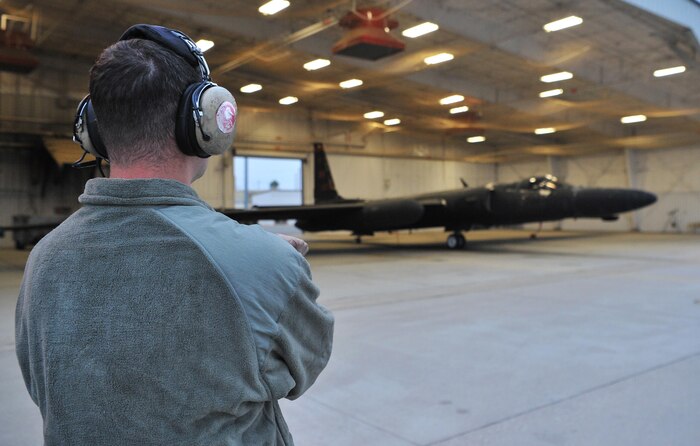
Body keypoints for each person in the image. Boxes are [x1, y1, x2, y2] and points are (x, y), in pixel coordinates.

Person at [15, 24, 333, 445]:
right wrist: (260, 260)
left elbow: (46, 390)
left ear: (93, 130)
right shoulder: (269, 263)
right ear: (203, 119)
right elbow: (305, 366)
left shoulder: (43, 259)